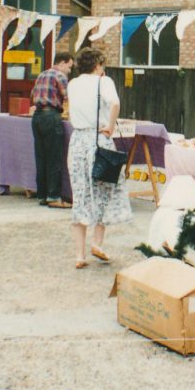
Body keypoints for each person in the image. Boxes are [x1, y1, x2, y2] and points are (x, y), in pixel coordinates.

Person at [65, 48, 132, 269]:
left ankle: (79, 255)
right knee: (104, 190)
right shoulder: (104, 82)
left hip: (77, 142)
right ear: (97, 64)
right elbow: (114, 104)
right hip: (98, 140)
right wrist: (110, 126)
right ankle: (97, 243)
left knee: (80, 194)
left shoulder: (73, 84)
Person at [30, 51, 74, 208]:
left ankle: (42, 194)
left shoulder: (42, 74)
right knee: (54, 157)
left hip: (37, 116)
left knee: (41, 157)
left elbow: (32, 95)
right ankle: (54, 196)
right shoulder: (60, 75)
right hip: (51, 116)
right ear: (62, 63)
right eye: (69, 67)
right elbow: (69, 96)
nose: (69, 70)